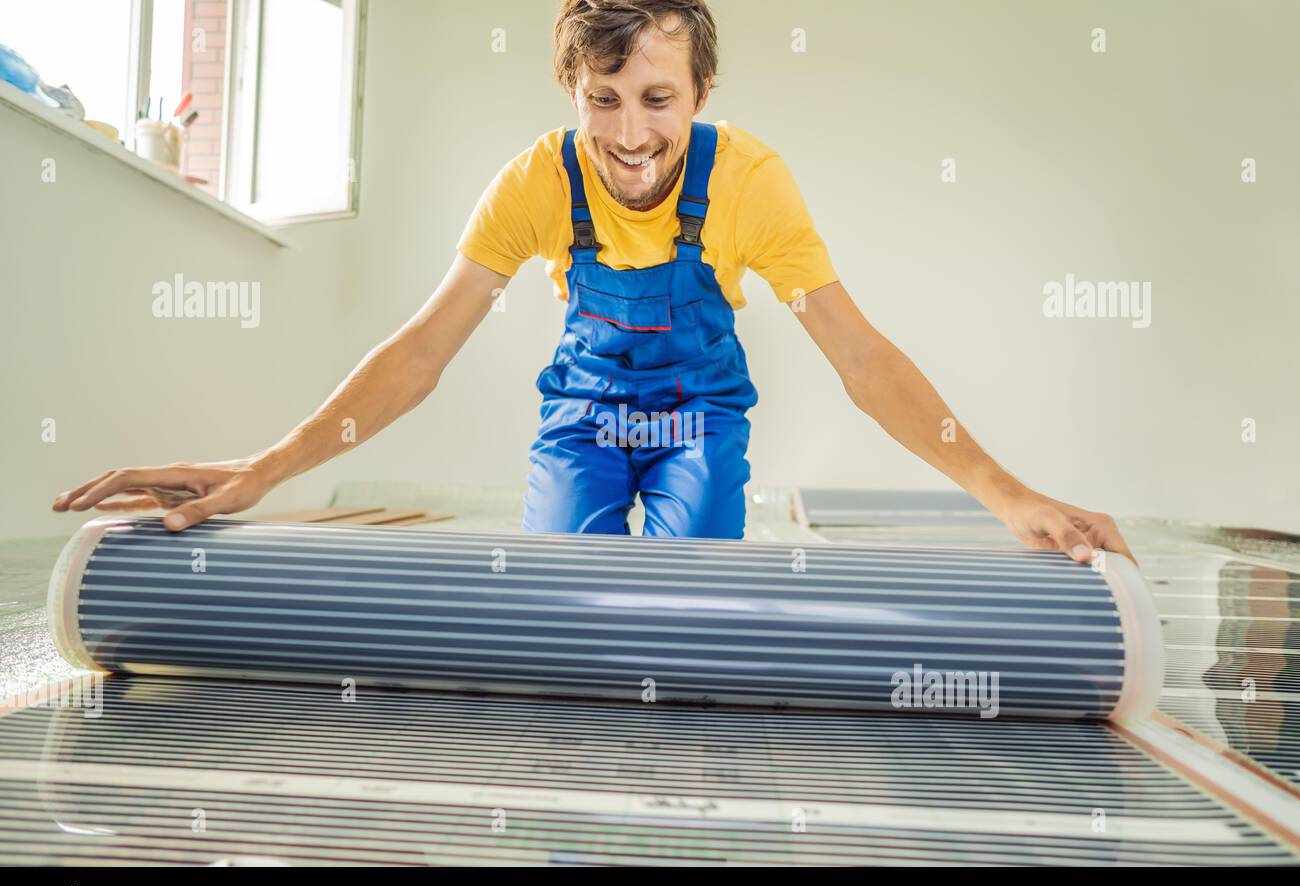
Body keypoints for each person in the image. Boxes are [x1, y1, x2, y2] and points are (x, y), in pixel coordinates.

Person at [51, 0, 1135, 565]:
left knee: (688, 599)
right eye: (603, 98)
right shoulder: (532, 182)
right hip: (583, 417)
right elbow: (423, 349)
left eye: (657, 100)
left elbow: (858, 353)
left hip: (699, 419)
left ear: (700, 91)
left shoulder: (749, 181)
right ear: (571, 87)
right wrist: (267, 466)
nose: (629, 136)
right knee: (562, 596)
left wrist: (1005, 491)